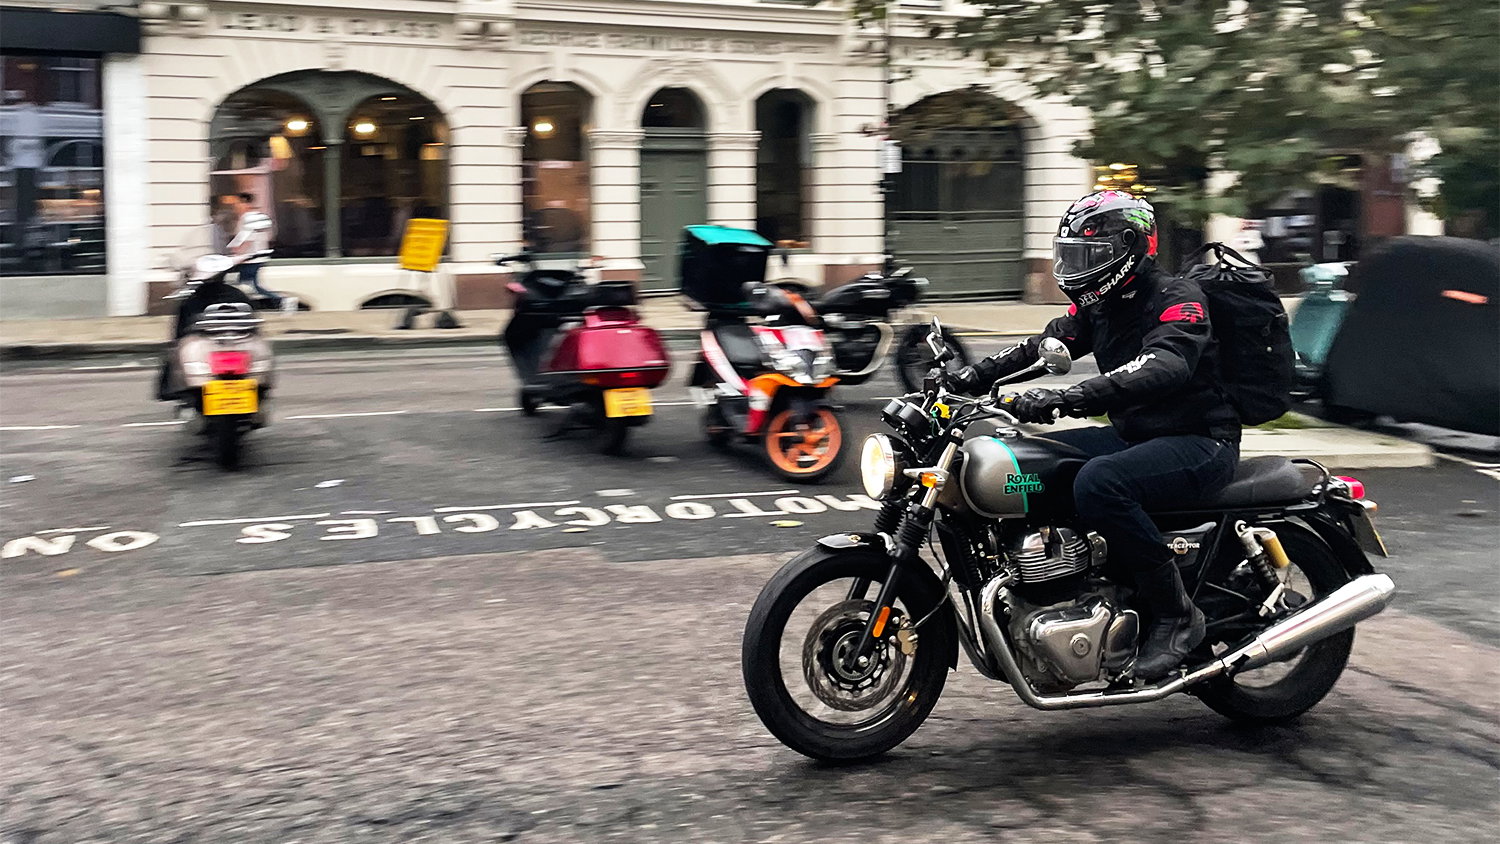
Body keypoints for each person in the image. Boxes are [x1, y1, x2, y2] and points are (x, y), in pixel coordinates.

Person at [949, 190, 1241, 681]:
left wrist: (1069, 397)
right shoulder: (1101, 306)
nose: (1076, 267)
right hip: (1139, 437)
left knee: (1100, 482)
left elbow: (1167, 364)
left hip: (1200, 441)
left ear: (1128, 246)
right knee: (1038, 459)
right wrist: (969, 378)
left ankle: (1176, 616)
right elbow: (1043, 344)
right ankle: (1073, 585)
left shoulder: (1179, 299)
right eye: (1072, 254)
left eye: (1089, 255)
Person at [224, 192, 285, 308]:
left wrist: (235, 251)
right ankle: (279, 300)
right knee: (250, 284)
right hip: (256, 257)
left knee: (238, 282)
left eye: (237, 204)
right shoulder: (258, 217)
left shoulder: (248, 218)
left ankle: (279, 300)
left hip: (251, 258)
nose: (235, 207)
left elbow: (247, 238)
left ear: (244, 203)